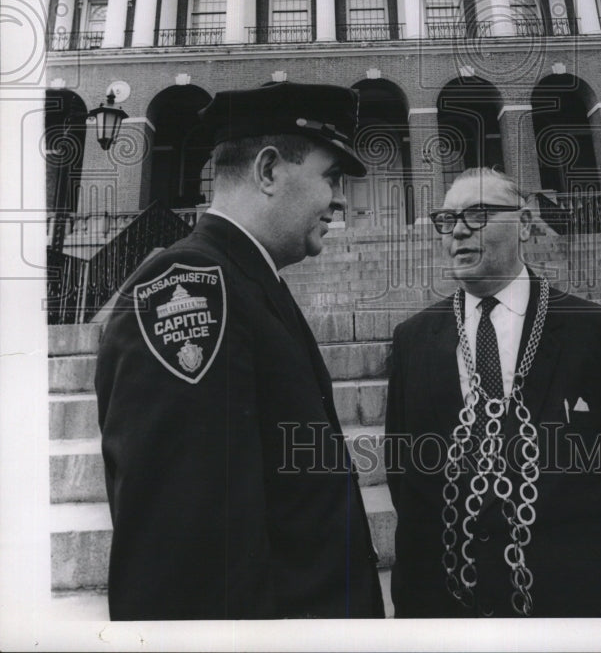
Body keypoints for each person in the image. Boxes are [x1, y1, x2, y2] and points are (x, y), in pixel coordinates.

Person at [95, 81, 384, 620]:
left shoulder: (245, 280)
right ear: (269, 170)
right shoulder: (193, 285)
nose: (340, 199)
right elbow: (186, 551)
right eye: (331, 177)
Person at [385, 167, 601, 618]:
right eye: (446, 219)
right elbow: (404, 476)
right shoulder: (413, 339)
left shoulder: (598, 332)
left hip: (582, 609)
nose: (458, 230)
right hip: (451, 611)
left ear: (524, 224)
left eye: (479, 214)